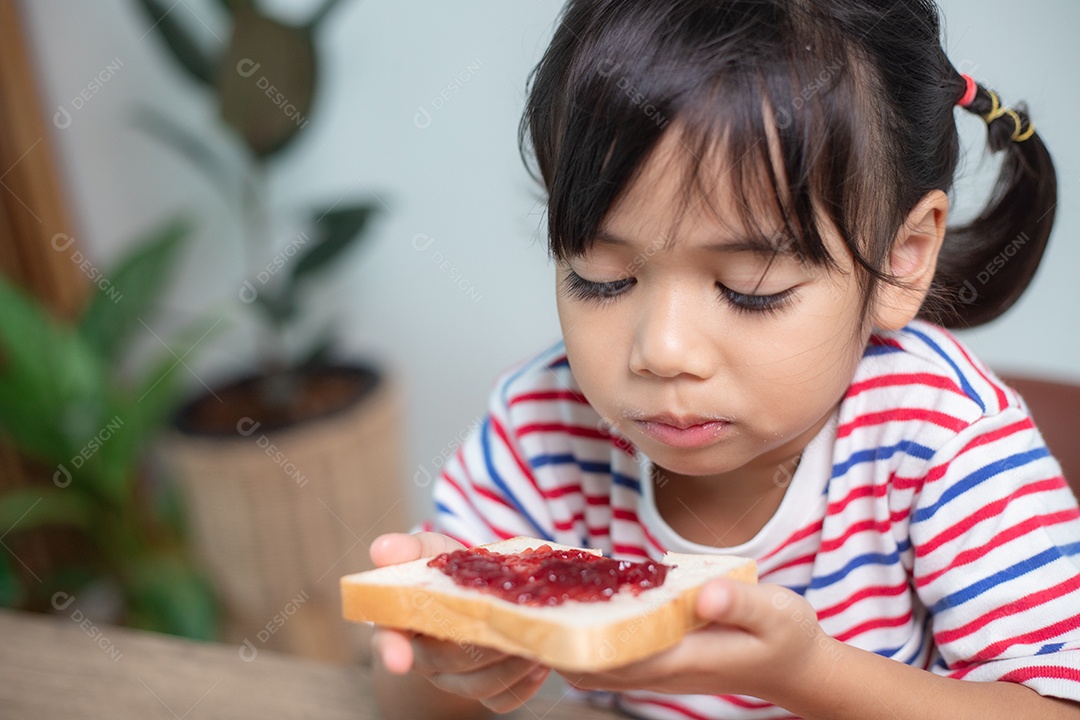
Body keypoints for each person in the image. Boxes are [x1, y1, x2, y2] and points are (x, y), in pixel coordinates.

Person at [370, 1, 1080, 718]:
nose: (662, 351)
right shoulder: (540, 427)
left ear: (901, 260)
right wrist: (441, 646)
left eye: (750, 289)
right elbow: (400, 702)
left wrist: (805, 673)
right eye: (603, 277)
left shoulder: (944, 439)